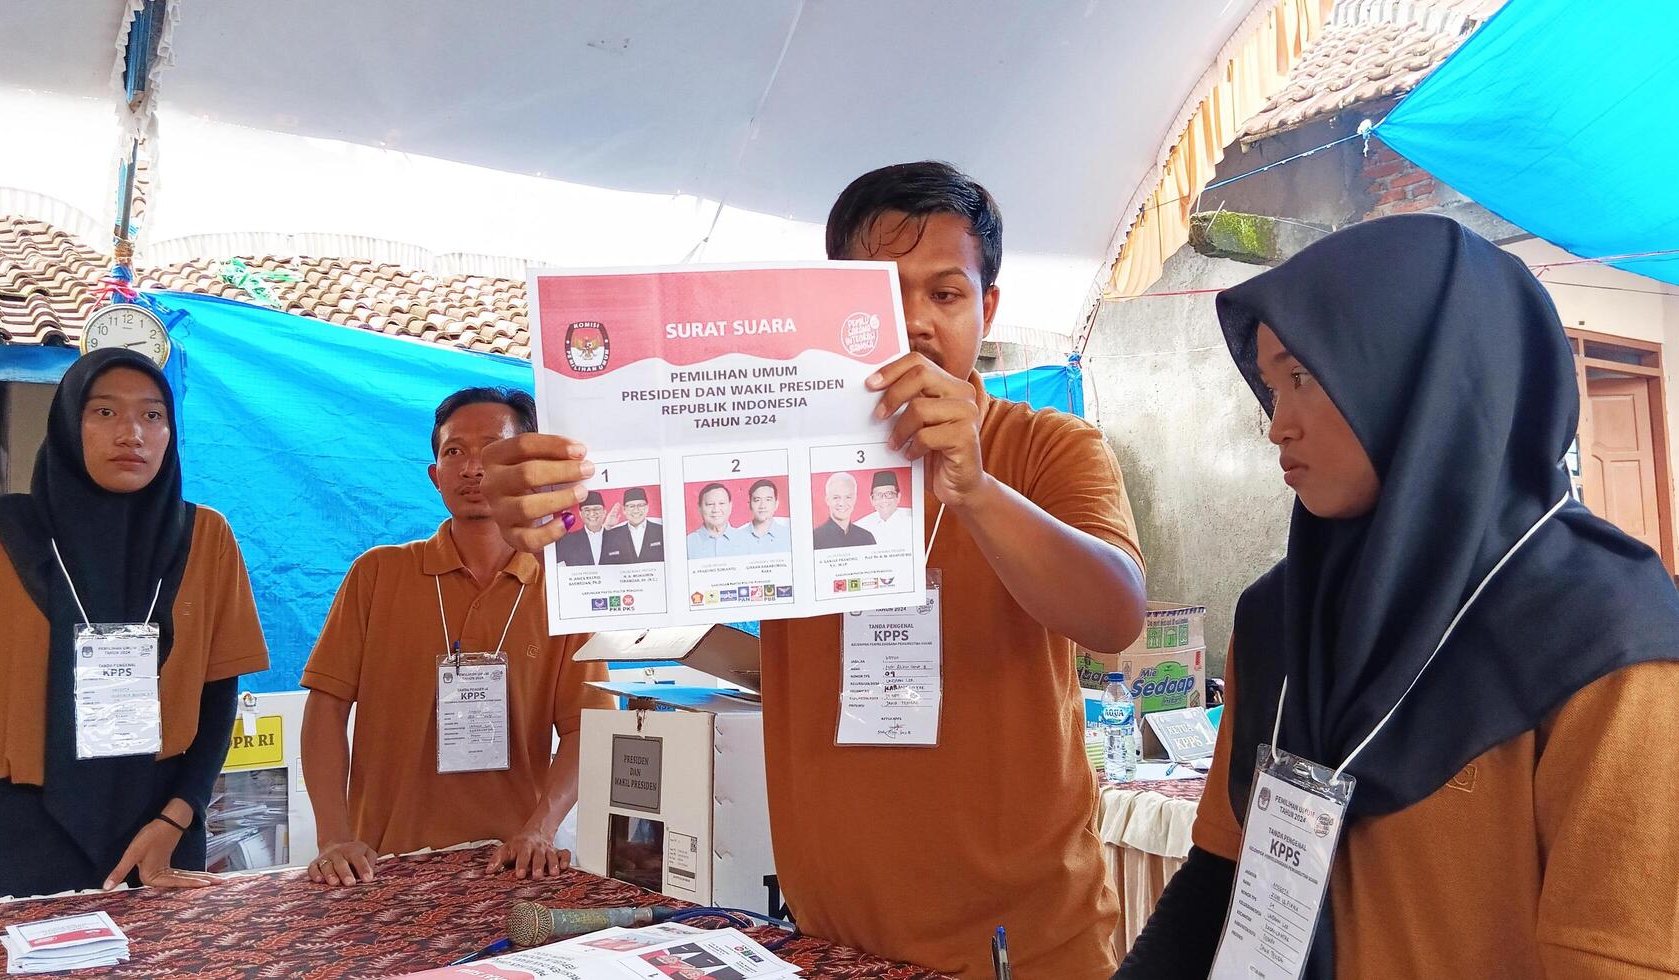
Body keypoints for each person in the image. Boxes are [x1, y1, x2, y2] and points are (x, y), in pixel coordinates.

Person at [482, 161, 1147, 977]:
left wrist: (974, 489)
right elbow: (633, 529)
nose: (917, 322)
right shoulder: (766, 448)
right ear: (830, 305)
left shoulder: (1048, 447)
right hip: (830, 941)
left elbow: (1116, 616)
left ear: (989, 308)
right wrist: (542, 509)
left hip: (1030, 945)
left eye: (946, 293)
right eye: (882, 294)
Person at [1117, 215, 1679, 979]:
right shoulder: (1280, 617)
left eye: (1305, 377)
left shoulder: (1603, 639)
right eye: (1271, 387)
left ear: (1421, 375)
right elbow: (1221, 878)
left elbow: (1614, 958)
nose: (1277, 426)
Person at [0, 348, 268, 905]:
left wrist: (179, 817)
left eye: (153, 415)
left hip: (159, 832)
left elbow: (217, 698)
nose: (132, 433)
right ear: (67, 423)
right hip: (26, 831)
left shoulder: (204, 538)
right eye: (104, 412)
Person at [299, 387, 612, 887]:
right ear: (434, 476)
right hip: (378, 866)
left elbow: (586, 730)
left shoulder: (563, 590)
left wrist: (540, 831)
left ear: (526, 467)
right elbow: (326, 707)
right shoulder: (378, 574)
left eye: (492, 450)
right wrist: (333, 837)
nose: (472, 468)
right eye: (454, 452)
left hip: (509, 865)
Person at [811, 472, 876, 550]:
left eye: (848, 497)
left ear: (854, 499)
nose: (842, 503)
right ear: (827, 500)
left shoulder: (867, 538)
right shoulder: (815, 539)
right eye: (836, 497)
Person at [603, 487, 663, 564]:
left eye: (640, 505)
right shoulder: (613, 534)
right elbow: (597, 553)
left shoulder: (660, 531)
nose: (636, 510)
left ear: (647, 507)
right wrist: (607, 525)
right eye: (631, 506)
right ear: (624, 510)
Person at [854, 470, 911, 549]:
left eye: (889, 494)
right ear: (872, 500)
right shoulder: (861, 527)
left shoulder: (912, 520)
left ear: (898, 497)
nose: (884, 500)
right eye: (878, 495)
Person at [733, 479, 789, 554]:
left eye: (768, 500)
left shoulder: (788, 536)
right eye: (757, 500)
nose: (762, 506)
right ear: (749, 505)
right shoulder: (736, 538)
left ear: (776, 504)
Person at [684, 483, 739, 559]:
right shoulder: (687, 543)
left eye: (721, 503)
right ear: (699, 508)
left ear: (730, 506)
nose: (716, 509)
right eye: (710, 504)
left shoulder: (745, 539)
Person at [556, 491, 610, 566]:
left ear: (604, 512)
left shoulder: (617, 537)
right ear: (580, 513)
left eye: (596, 509)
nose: (592, 514)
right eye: (587, 510)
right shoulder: (567, 540)